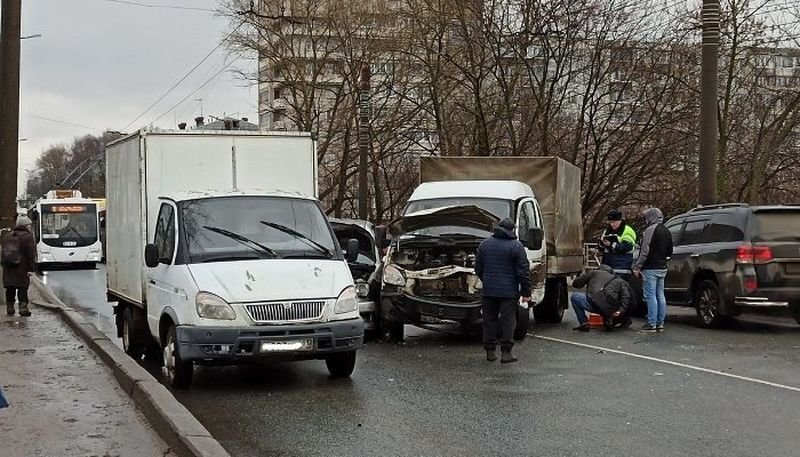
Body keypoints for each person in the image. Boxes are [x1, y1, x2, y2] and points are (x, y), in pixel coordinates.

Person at [475, 218, 531, 364]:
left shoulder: (485, 245)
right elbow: (523, 272)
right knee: (508, 321)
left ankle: (490, 351)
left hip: (489, 290)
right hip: (509, 291)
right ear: (512, 230)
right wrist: (526, 292)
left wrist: (486, 280)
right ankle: (506, 353)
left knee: (489, 321)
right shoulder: (516, 246)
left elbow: (478, 269)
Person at [632, 207, 673, 332]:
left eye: (646, 217)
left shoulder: (650, 230)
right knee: (660, 295)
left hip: (650, 267)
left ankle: (651, 323)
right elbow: (670, 250)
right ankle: (660, 322)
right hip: (662, 266)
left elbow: (645, 251)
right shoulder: (666, 230)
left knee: (650, 296)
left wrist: (637, 266)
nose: (645, 220)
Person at [570, 264, 633, 332]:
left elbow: (576, 284)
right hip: (611, 309)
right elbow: (627, 297)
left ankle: (584, 323)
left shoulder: (594, 273)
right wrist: (621, 310)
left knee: (575, 296)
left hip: (593, 304)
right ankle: (618, 319)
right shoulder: (618, 279)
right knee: (609, 307)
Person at [1, 215, 37, 317]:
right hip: (22, 267)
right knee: (22, 288)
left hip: (8, 267)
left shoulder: (7, 236)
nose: (30, 227)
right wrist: (31, 269)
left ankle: (10, 308)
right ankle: (23, 308)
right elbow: (30, 254)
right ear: (24, 226)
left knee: (10, 288)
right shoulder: (27, 236)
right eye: (29, 225)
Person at [599, 209, 637, 276]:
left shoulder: (628, 230)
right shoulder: (607, 231)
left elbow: (627, 247)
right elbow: (600, 248)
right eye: (610, 222)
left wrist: (611, 244)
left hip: (622, 267)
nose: (611, 224)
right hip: (607, 267)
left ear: (619, 220)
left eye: (613, 222)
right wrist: (602, 244)